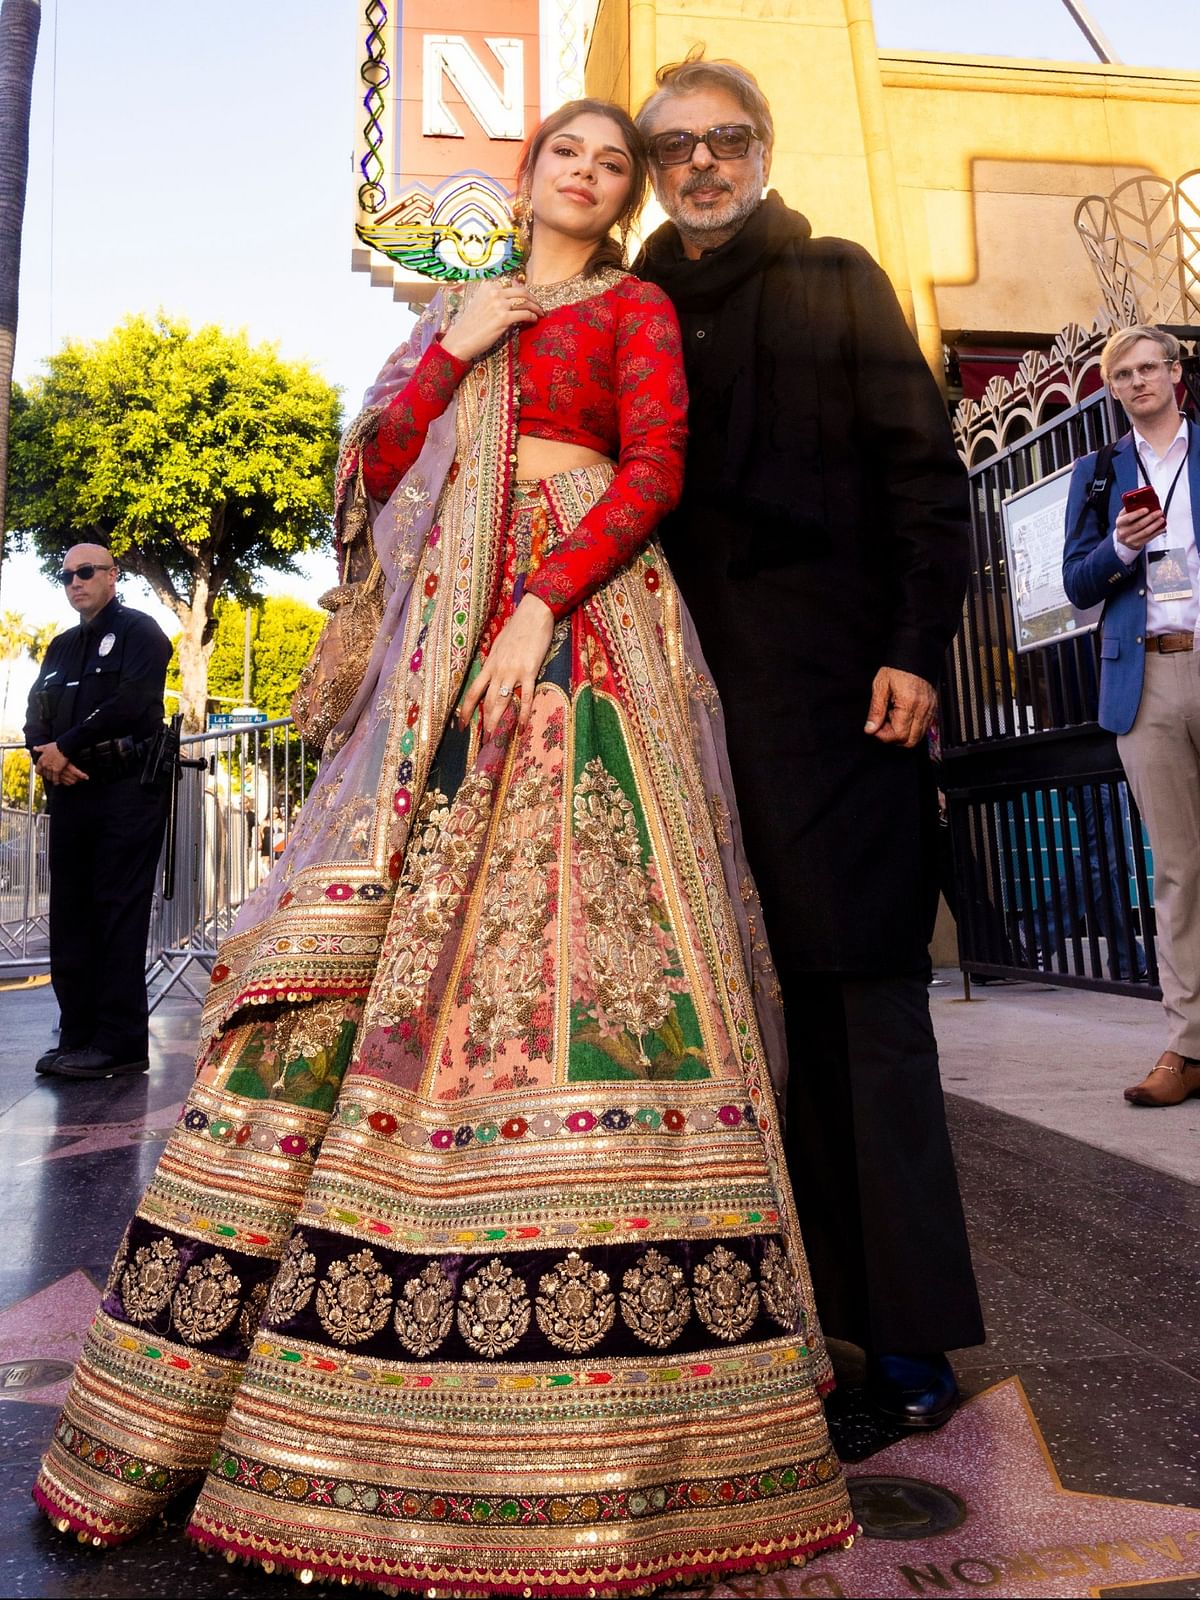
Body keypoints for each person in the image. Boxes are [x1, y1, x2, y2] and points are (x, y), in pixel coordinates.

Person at [34, 101, 854, 1595]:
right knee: (383, 955)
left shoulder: (639, 305)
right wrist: (467, 342)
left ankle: (652, 1400)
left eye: (618, 166)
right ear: (529, 174)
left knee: (589, 945)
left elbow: (657, 468)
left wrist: (541, 601)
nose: (594, 180)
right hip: (437, 648)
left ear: (626, 195)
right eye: (571, 158)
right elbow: (377, 470)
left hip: (591, 628)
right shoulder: (459, 310)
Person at [633, 54, 984, 1429]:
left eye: (727, 139)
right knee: (709, 1036)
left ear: (765, 148)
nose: (703, 163)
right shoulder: (632, 307)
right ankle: (745, 1327)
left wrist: (913, 645)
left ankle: (902, 1349)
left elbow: (924, 479)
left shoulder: (837, 275)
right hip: (671, 715)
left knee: (859, 1014)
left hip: (840, 709)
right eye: (677, 148)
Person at [1063, 324, 1200, 1108]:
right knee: (1179, 870)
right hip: (1145, 677)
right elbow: (1077, 582)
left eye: (1151, 366)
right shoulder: (1098, 472)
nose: (1139, 380)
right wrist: (1118, 548)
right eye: (1124, 373)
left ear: (1177, 373)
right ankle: (1187, 1046)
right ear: (1112, 388)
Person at [24, 543, 172, 1079]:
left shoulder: (140, 632)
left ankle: (121, 1041)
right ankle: (79, 1035)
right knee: (71, 913)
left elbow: (132, 703)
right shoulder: (61, 647)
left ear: (113, 576)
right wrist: (45, 753)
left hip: (125, 788)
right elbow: (35, 710)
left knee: (116, 911)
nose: (75, 583)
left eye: (86, 572)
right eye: (66, 576)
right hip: (70, 789)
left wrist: (68, 744)